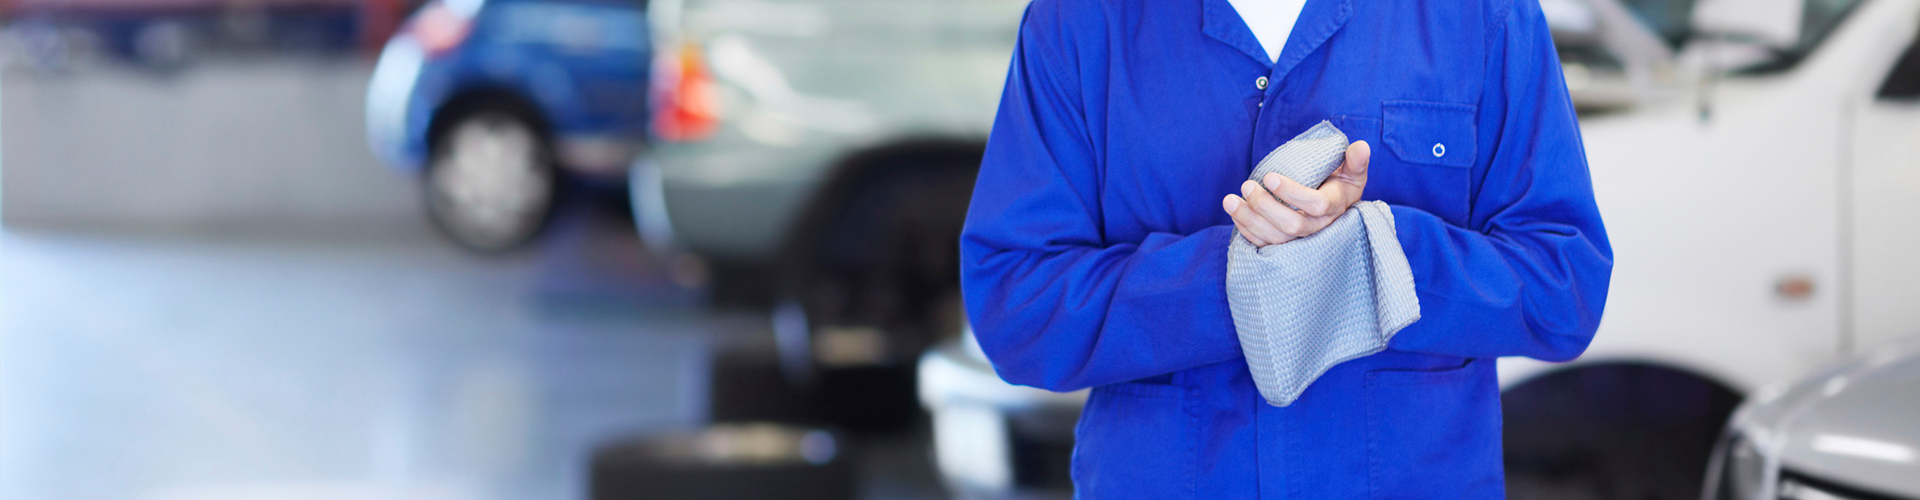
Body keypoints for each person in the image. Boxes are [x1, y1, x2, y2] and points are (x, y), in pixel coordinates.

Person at [958, 0, 1613, 497]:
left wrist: (1370, 255)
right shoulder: (1079, 22)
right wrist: (1241, 277)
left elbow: (1563, 288)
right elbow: (1016, 306)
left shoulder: (1483, 15)